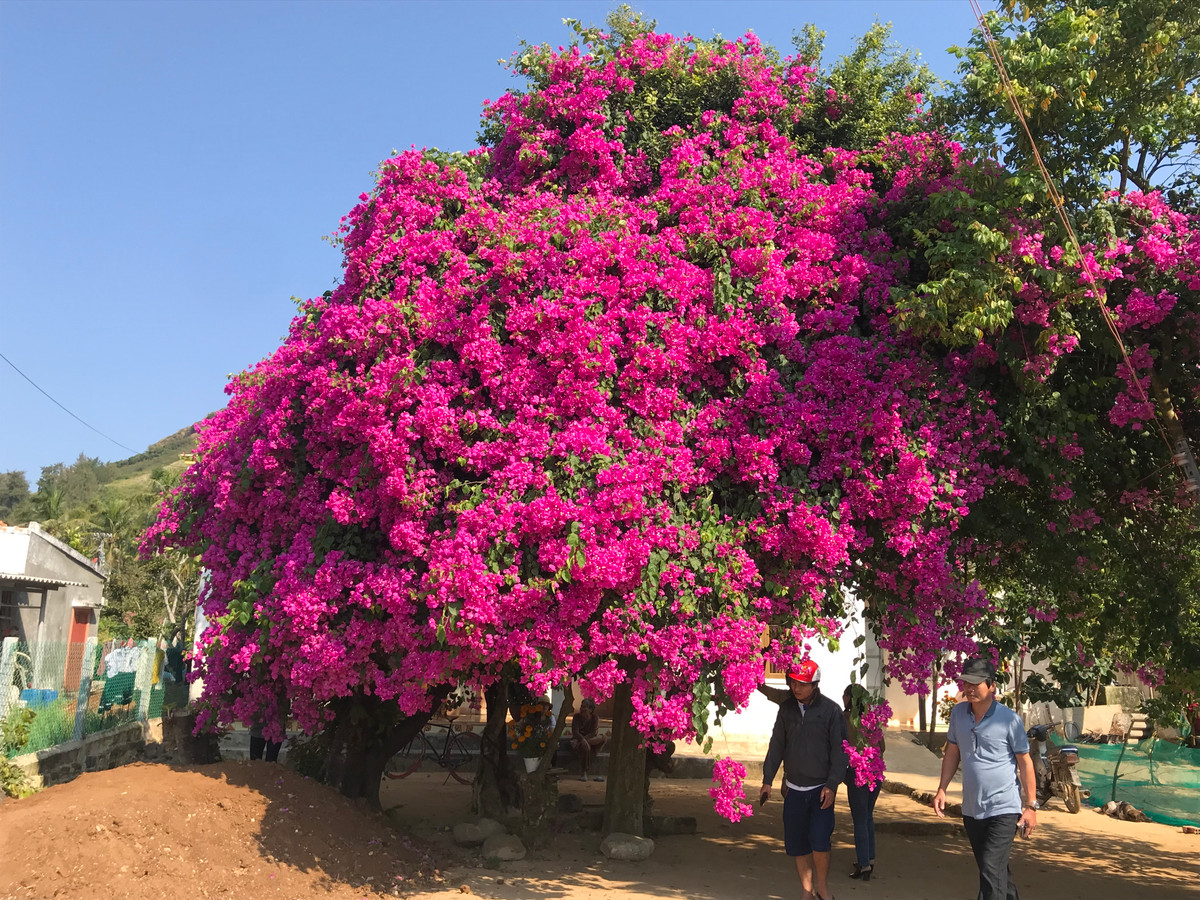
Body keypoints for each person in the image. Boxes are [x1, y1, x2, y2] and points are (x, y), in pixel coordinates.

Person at [933, 657, 1038, 900]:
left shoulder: (1009, 719)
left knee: (991, 870)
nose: (969, 688)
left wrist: (1031, 806)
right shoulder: (958, 713)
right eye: (966, 683)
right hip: (972, 809)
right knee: (995, 871)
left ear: (991, 685)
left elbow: (1025, 762)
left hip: (1003, 808)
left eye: (976, 683)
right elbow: (952, 752)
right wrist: (942, 789)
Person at [760, 659, 848, 900]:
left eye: (802, 684)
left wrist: (832, 784)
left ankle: (822, 888)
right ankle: (806, 891)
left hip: (821, 789)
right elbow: (777, 744)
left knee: (820, 841)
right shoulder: (786, 709)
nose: (796, 688)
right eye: (793, 683)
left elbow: (840, 752)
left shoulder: (831, 711)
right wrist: (768, 779)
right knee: (798, 843)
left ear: (814, 685)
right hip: (793, 789)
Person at [843, 683, 884, 882]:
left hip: (858, 773)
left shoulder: (847, 719)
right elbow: (882, 746)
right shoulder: (872, 720)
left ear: (850, 698)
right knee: (867, 816)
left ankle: (863, 863)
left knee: (860, 819)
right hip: (875, 772)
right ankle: (870, 857)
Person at [571, 697, 607, 782]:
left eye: (585, 707)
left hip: (589, 741)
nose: (582, 709)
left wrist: (584, 740)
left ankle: (584, 744)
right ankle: (584, 772)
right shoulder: (576, 717)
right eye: (581, 706)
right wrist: (582, 740)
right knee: (585, 747)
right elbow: (575, 732)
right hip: (579, 741)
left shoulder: (595, 718)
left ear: (591, 710)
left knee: (603, 737)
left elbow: (593, 733)